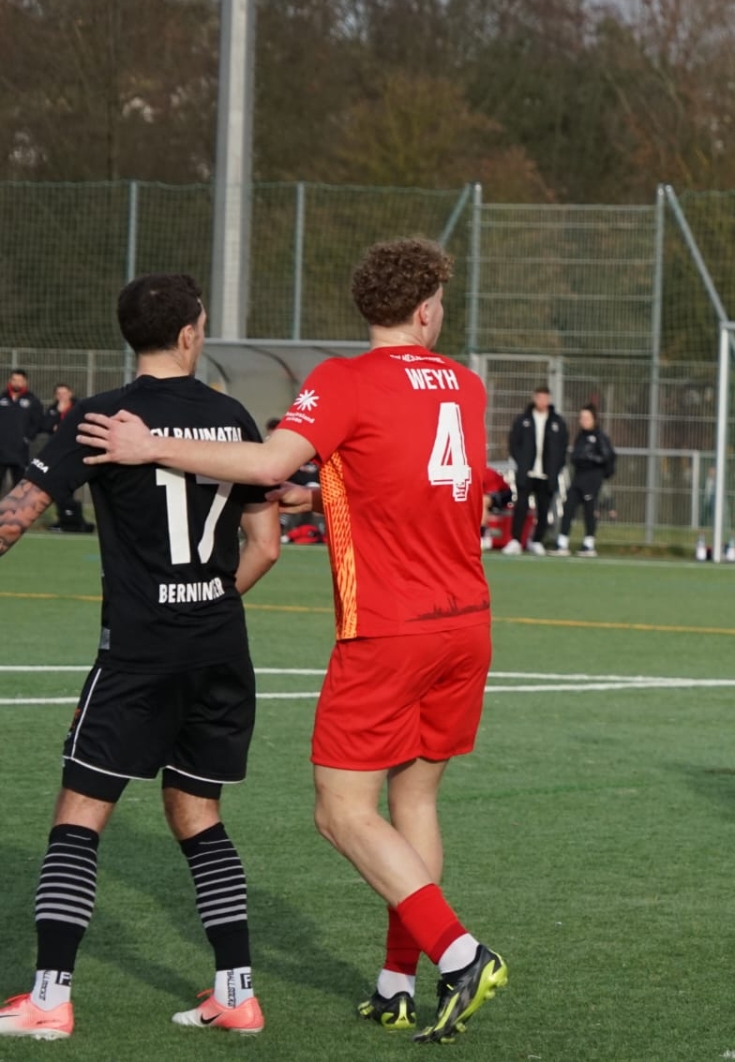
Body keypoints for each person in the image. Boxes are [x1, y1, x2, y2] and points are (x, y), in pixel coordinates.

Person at [79, 239, 510, 1043]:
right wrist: (322, 491)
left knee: (341, 810)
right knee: (413, 801)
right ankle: (396, 984)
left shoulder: (344, 380)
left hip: (389, 628)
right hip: (466, 621)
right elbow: (416, 476)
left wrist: (150, 446)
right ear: (426, 309)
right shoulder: (467, 384)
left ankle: (460, 953)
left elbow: (270, 458)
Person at [0, 275, 281, 1041]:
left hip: (139, 652)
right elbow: (265, 544)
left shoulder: (100, 417)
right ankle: (237, 992)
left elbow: (15, 518)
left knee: (79, 813)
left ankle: (49, 998)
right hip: (219, 648)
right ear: (191, 333)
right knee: (199, 814)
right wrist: (205, 603)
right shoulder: (231, 416)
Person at [505, 387, 566, 556]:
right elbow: (514, 443)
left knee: (544, 509)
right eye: (539, 397)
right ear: (534, 398)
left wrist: (555, 467)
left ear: (549, 399)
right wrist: (522, 462)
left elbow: (562, 448)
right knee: (521, 507)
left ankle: (537, 540)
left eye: (545, 398)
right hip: (527, 473)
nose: (542, 401)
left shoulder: (558, 422)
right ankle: (516, 540)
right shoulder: (523, 419)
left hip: (547, 474)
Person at [555, 405, 617, 557]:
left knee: (589, 510)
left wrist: (592, 459)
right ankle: (562, 543)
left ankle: (589, 544)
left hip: (592, 478)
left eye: (587, 418)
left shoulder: (600, 437)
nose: (583, 421)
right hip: (579, 477)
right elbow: (576, 456)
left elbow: (608, 457)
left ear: (594, 419)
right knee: (568, 506)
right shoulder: (581, 436)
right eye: (581, 418)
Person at [38, 385, 93, 532]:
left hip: (75, 453)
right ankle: (65, 520)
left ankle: (74, 521)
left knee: (67, 489)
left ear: (70, 393)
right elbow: (45, 425)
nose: (62, 396)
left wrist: (64, 427)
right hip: (57, 455)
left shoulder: (79, 407)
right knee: (58, 489)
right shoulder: (53, 409)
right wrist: (58, 413)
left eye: (64, 393)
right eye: (59, 393)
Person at [0, 368, 45, 496]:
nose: (17, 383)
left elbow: (38, 422)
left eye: (20, 380)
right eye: (14, 380)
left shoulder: (32, 400)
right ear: (10, 381)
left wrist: (27, 437)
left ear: (25, 382)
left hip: (20, 452)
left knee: (19, 488)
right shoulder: (2, 398)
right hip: (1, 451)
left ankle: (14, 509)